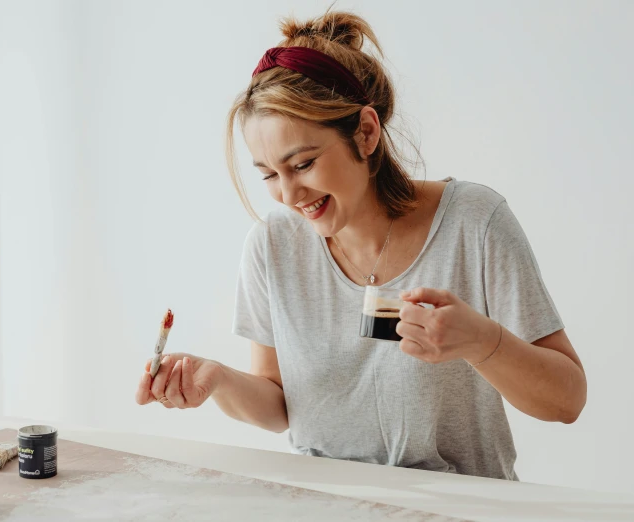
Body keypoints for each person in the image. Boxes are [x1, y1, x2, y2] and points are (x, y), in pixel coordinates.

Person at [134, 10, 586, 480]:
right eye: (269, 174)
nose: (288, 196)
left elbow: (567, 401)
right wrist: (219, 381)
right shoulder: (272, 246)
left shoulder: (475, 221)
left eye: (303, 163)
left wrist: (481, 341)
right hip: (326, 504)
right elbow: (280, 405)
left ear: (366, 132)